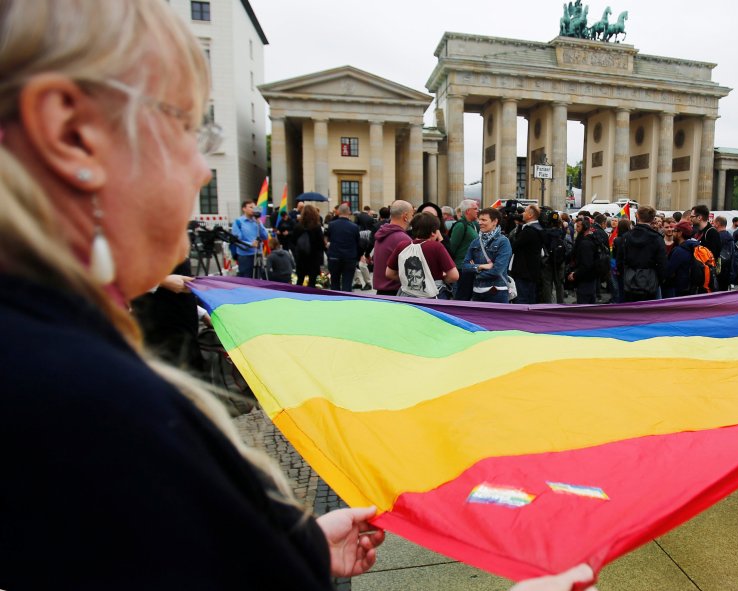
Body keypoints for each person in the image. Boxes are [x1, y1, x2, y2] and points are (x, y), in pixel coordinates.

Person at [0, 4, 598, 590]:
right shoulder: (81, 400)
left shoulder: (50, 358)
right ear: (71, 134)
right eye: (186, 126)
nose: (202, 170)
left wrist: (292, 551)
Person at [386, 213, 459, 299]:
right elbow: (454, 276)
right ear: (433, 232)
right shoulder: (436, 247)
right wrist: (439, 279)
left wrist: (409, 280)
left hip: (408, 296)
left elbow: (389, 273)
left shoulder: (402, 246)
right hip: (433, 296)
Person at [463, 208, 513, 303]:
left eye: (484, 220)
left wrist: (475, 272)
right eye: (479, 219)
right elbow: (465, 267)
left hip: (497, 292)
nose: (480, 222)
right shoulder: (475, 242)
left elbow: (497, 270)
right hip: (477, 292)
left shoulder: (503, 242)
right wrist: (481, 266)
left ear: (495, 221)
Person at [616, 206, 666, 302]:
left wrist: (624, 275)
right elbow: (662, 263)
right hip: (649, 281)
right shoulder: (657, 238)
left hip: (630, 280)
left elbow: (620, 260)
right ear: (652, 219)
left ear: (637, 216)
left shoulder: (626, 237)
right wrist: (658, 279)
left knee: (630, 310)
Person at [372, 201, 414, 296]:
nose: (413, 218)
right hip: (396, 293)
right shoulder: (402, 238)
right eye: (412, 215)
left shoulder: (383, 233)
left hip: (382, 291)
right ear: (405, 216)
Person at [509, 204, 543, 304]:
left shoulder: (528, 231)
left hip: (523, 271)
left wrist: (519, 228)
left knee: (522, 299)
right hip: (532, 271)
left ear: (530, 215)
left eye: (525, 211)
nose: (522, 214)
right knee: (530, 298)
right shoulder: (538, 228)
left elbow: (514, 246)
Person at [325, 203, 361, 292]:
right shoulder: (354, 227)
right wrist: (358, 256)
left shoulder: (332, 225)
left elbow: (327, 239)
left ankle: (335, 301)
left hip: (334, 257)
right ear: (349, 212)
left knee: (334, 282)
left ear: (338, 212)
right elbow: (358, 243)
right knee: (347, 283)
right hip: (349, 258)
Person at [449, 199, 480, 301]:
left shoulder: (472, 225)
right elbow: (452, 247)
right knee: (462, 296)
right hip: (461, 267)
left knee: (467, 295)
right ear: (468, 211)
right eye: (475, 209)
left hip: (470, 267)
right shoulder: (460, 225)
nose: (478, 211)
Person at [231, 200, 269, 278]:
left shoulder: (257, 221)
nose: (253, 209)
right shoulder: (239, 222)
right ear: (244, 209)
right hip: (245, 256)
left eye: (254, 207)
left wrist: (259, 222)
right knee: (247, 278)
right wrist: (250, 244)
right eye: (251, 207)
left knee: (258, 278)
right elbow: (237, 240)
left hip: (258, 254)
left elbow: (265, 236)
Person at [292, 204, 326, 288]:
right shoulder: (316, 227)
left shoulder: (298, 227)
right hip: (313, 259)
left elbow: (293, 241)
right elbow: (321, 244)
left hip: (301, 258)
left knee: (300, 281)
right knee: (312, 282)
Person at [567, 217, 598, 304]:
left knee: (584, 305)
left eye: (578, 227)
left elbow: (586, 265)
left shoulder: (585, 243)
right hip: (590, 279)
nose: (576, 229)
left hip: (586, 280)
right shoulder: (591, 239)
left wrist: (575, 274)